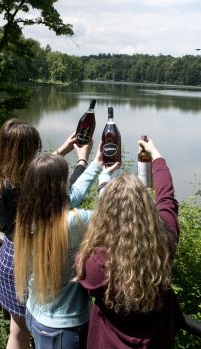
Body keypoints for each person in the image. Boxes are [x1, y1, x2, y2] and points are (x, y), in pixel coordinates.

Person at [0, 118, 90, 349]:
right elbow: (62, 198)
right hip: (26, 263)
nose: (38, 151)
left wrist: (63, 149)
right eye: (35, 148)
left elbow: (34, 173)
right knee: (40, 333)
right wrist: (82, 162)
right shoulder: (23, 190)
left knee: (17, 333)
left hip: (8, 258)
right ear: (23, 152)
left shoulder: (0, 175)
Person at [75, 138, 185, 349]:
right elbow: (166, 198)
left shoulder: (96, 262)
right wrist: (156, 156)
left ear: (106, 213)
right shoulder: (163, 242)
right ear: (146, 207)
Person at [14, 145, 119, 349]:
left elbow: (73, 195)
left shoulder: (28, 216)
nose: (69, 182)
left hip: (35, 312)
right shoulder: (73, 222)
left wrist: (97, 163)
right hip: (64, 328)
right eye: (66, 179)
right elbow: (110, 217)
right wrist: (106, 180)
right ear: (58, 187)